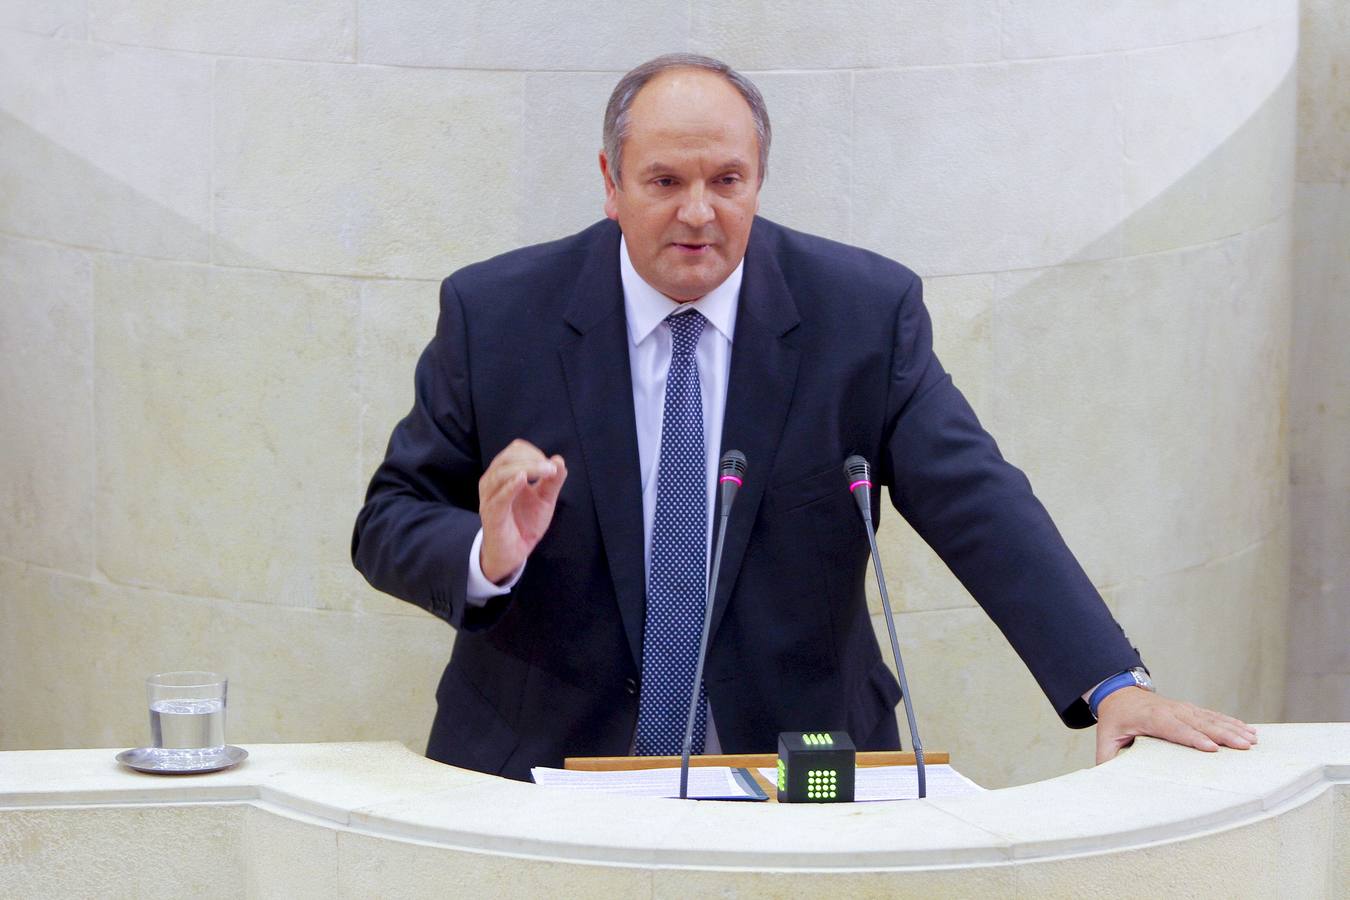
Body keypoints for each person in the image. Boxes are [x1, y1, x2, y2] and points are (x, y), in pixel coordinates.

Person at [352, 53, 1256, 781]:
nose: (697, 213)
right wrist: (488, 554)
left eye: (727, 180)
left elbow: (979, 502)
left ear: (760, 179)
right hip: (547, 761)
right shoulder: (498, 312)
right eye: (663, 180)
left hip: (800, 765)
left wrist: (1109, 684)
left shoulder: (861, 314)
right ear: (609, 181)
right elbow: (389, 519)